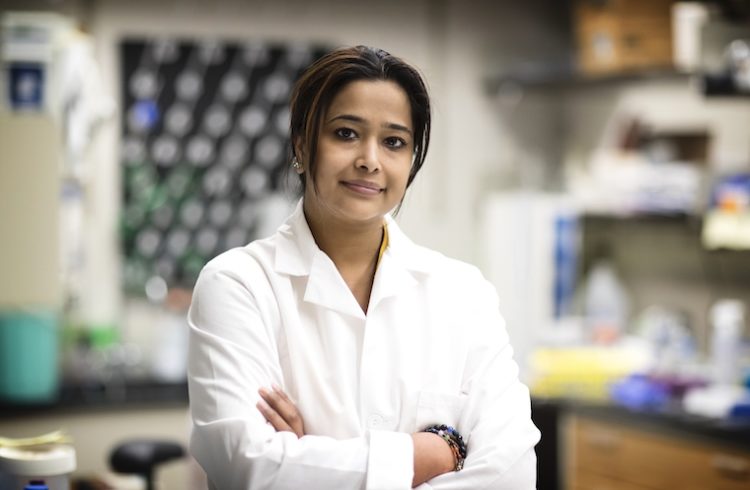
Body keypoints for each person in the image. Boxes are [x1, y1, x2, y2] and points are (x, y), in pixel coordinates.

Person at [187, 45, 540, 489]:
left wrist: (311, 461)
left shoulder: (464, 293)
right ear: (301, 144)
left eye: (394, 141)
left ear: (410, 161)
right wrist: (435, 453)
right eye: (346, 133)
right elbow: (248, 464)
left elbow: (512, 476)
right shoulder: (238, 284)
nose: (370, 159)